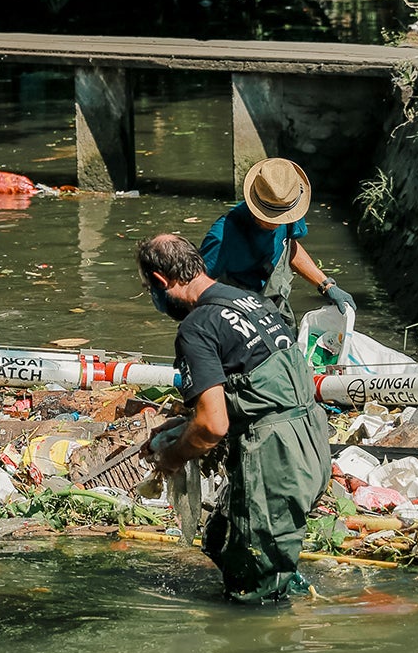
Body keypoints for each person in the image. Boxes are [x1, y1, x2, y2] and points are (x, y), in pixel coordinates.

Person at [139, 232, 331, 604]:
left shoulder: (196, 327)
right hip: (311, 443)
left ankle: (274, 634)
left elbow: (214, 425)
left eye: (150, 287)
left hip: (276, 462)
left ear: (161, 281)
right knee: (220, 542)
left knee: (255, 599)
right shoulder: (248, 300)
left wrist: (172, 457)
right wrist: (183, 425)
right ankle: (292, 587)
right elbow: (262, 394)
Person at [199, 157, 355, 320]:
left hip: (276, 305)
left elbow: (289, 246)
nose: (280, 221)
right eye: (273, 217)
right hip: (237, 314)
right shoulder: (223, 236)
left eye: (284, 216)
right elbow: (195, 286)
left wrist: (325, 285)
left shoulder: (289, 206)